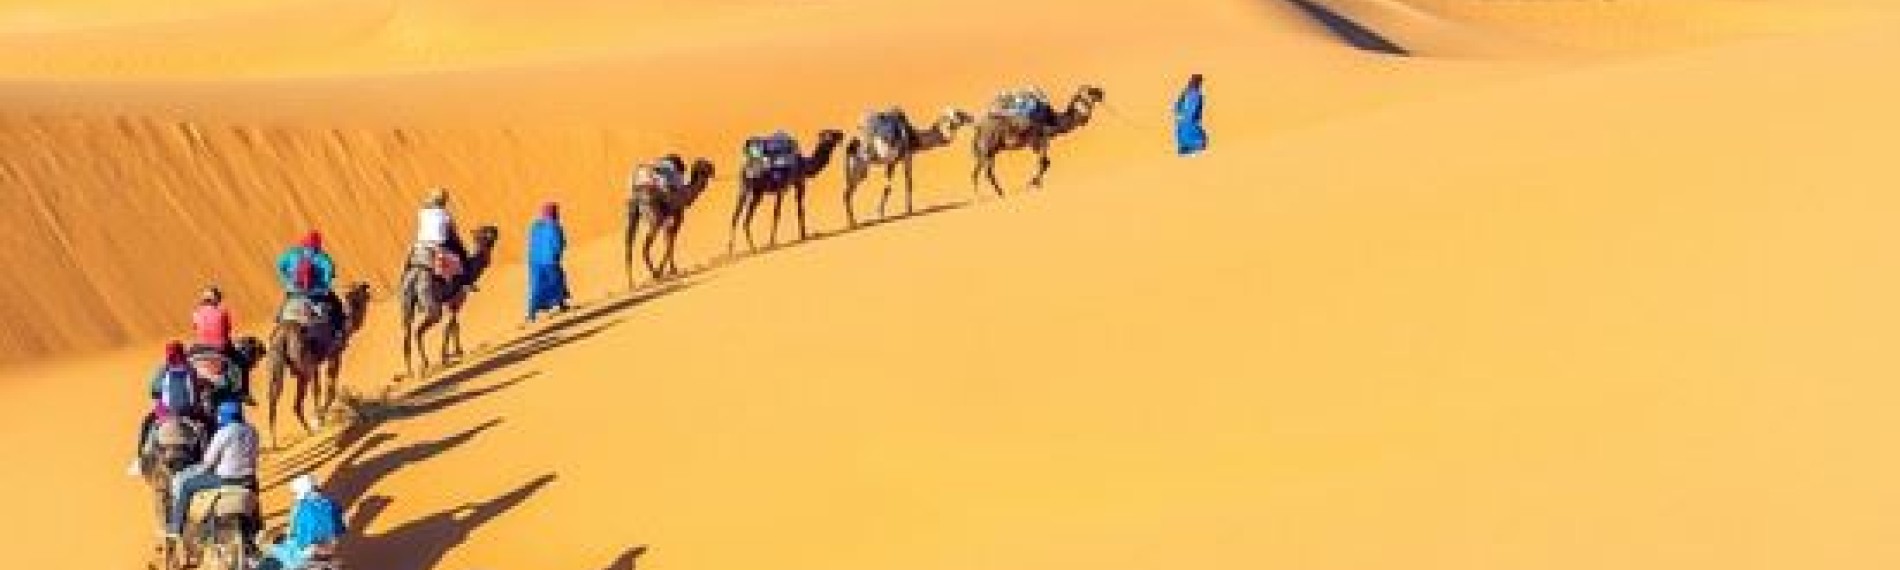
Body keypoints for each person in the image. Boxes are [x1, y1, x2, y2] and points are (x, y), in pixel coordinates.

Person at [168, 402, 260, 547]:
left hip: (226, 480)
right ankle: (257, 529)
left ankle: (176, 529)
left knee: (186, 485)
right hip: (249, 479)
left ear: (224, 417)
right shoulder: (252, 430)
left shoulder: (224, 432)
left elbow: (208, 461)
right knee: (254, 499)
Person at [258, 474, 347, 570]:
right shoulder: (332, 504)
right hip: (329, 550)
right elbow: (340, 530)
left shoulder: (300, 507)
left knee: (268, 559)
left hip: (304, 554)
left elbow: (293, 534)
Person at [275, 230, 347, 341]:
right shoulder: (322, 257)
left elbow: (280, 264)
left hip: (294, 290)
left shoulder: (292, 253)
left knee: (286, 304)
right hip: (315, 293)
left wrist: (286, 280)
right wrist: (325, 284)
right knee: (336, 305)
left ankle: (278, 320)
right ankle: (339, 330)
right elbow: (329, 272)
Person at [414, 188, 471, 290]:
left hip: (420, 246)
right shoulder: (445, 215)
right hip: (438, 246)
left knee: (408, 263)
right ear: (444, 201)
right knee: (460, 256)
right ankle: (465, 282)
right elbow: (453, 233)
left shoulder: (422, 212)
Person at [526, 202, 571, 323]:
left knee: (536, 286)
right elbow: (560, 243)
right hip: (549, 261)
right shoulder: (555, 226)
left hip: (534, 261)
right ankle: (561, 304)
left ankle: (531, 314)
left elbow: (531, 243)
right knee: (557, 281)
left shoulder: (535, 226)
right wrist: (558, 252)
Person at [1174, 74, 1208, 157]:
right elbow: (1194, 109)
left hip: (1184, 119)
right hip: (1188, 119)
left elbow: (1178, 104)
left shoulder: (1187, 92)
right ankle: (1191, 147)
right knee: (1191, 131)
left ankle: (1186, 148)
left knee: (1186, 130)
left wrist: (1179, 114)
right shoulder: (1194, 93)